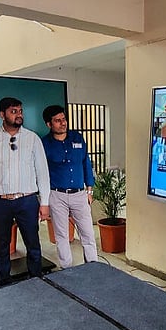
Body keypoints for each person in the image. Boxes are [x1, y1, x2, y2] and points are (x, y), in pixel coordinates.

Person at [0, 97, 50, 284]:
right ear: (2, 114)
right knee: (1, 246)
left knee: (33, 244)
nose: (19, 115)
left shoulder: (32, 139)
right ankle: (4, 283)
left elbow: (42, 171)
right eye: (13, 111)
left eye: (20, 111)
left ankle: (36, 280)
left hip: (27, 200)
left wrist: (44, 202)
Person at [40, 105, 98, 268]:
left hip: (79, 194)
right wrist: (44, 200)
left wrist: (89, 189)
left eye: (64, 119)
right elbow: (41, 172)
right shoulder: (44, 144)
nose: (63, 123)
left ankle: (93, 267)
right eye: (57, 121)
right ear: (49, 124)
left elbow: (86, 163)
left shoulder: (77, 137)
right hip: (57, 195)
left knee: (88, 233)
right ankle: (67, 269)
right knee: (61, 236)